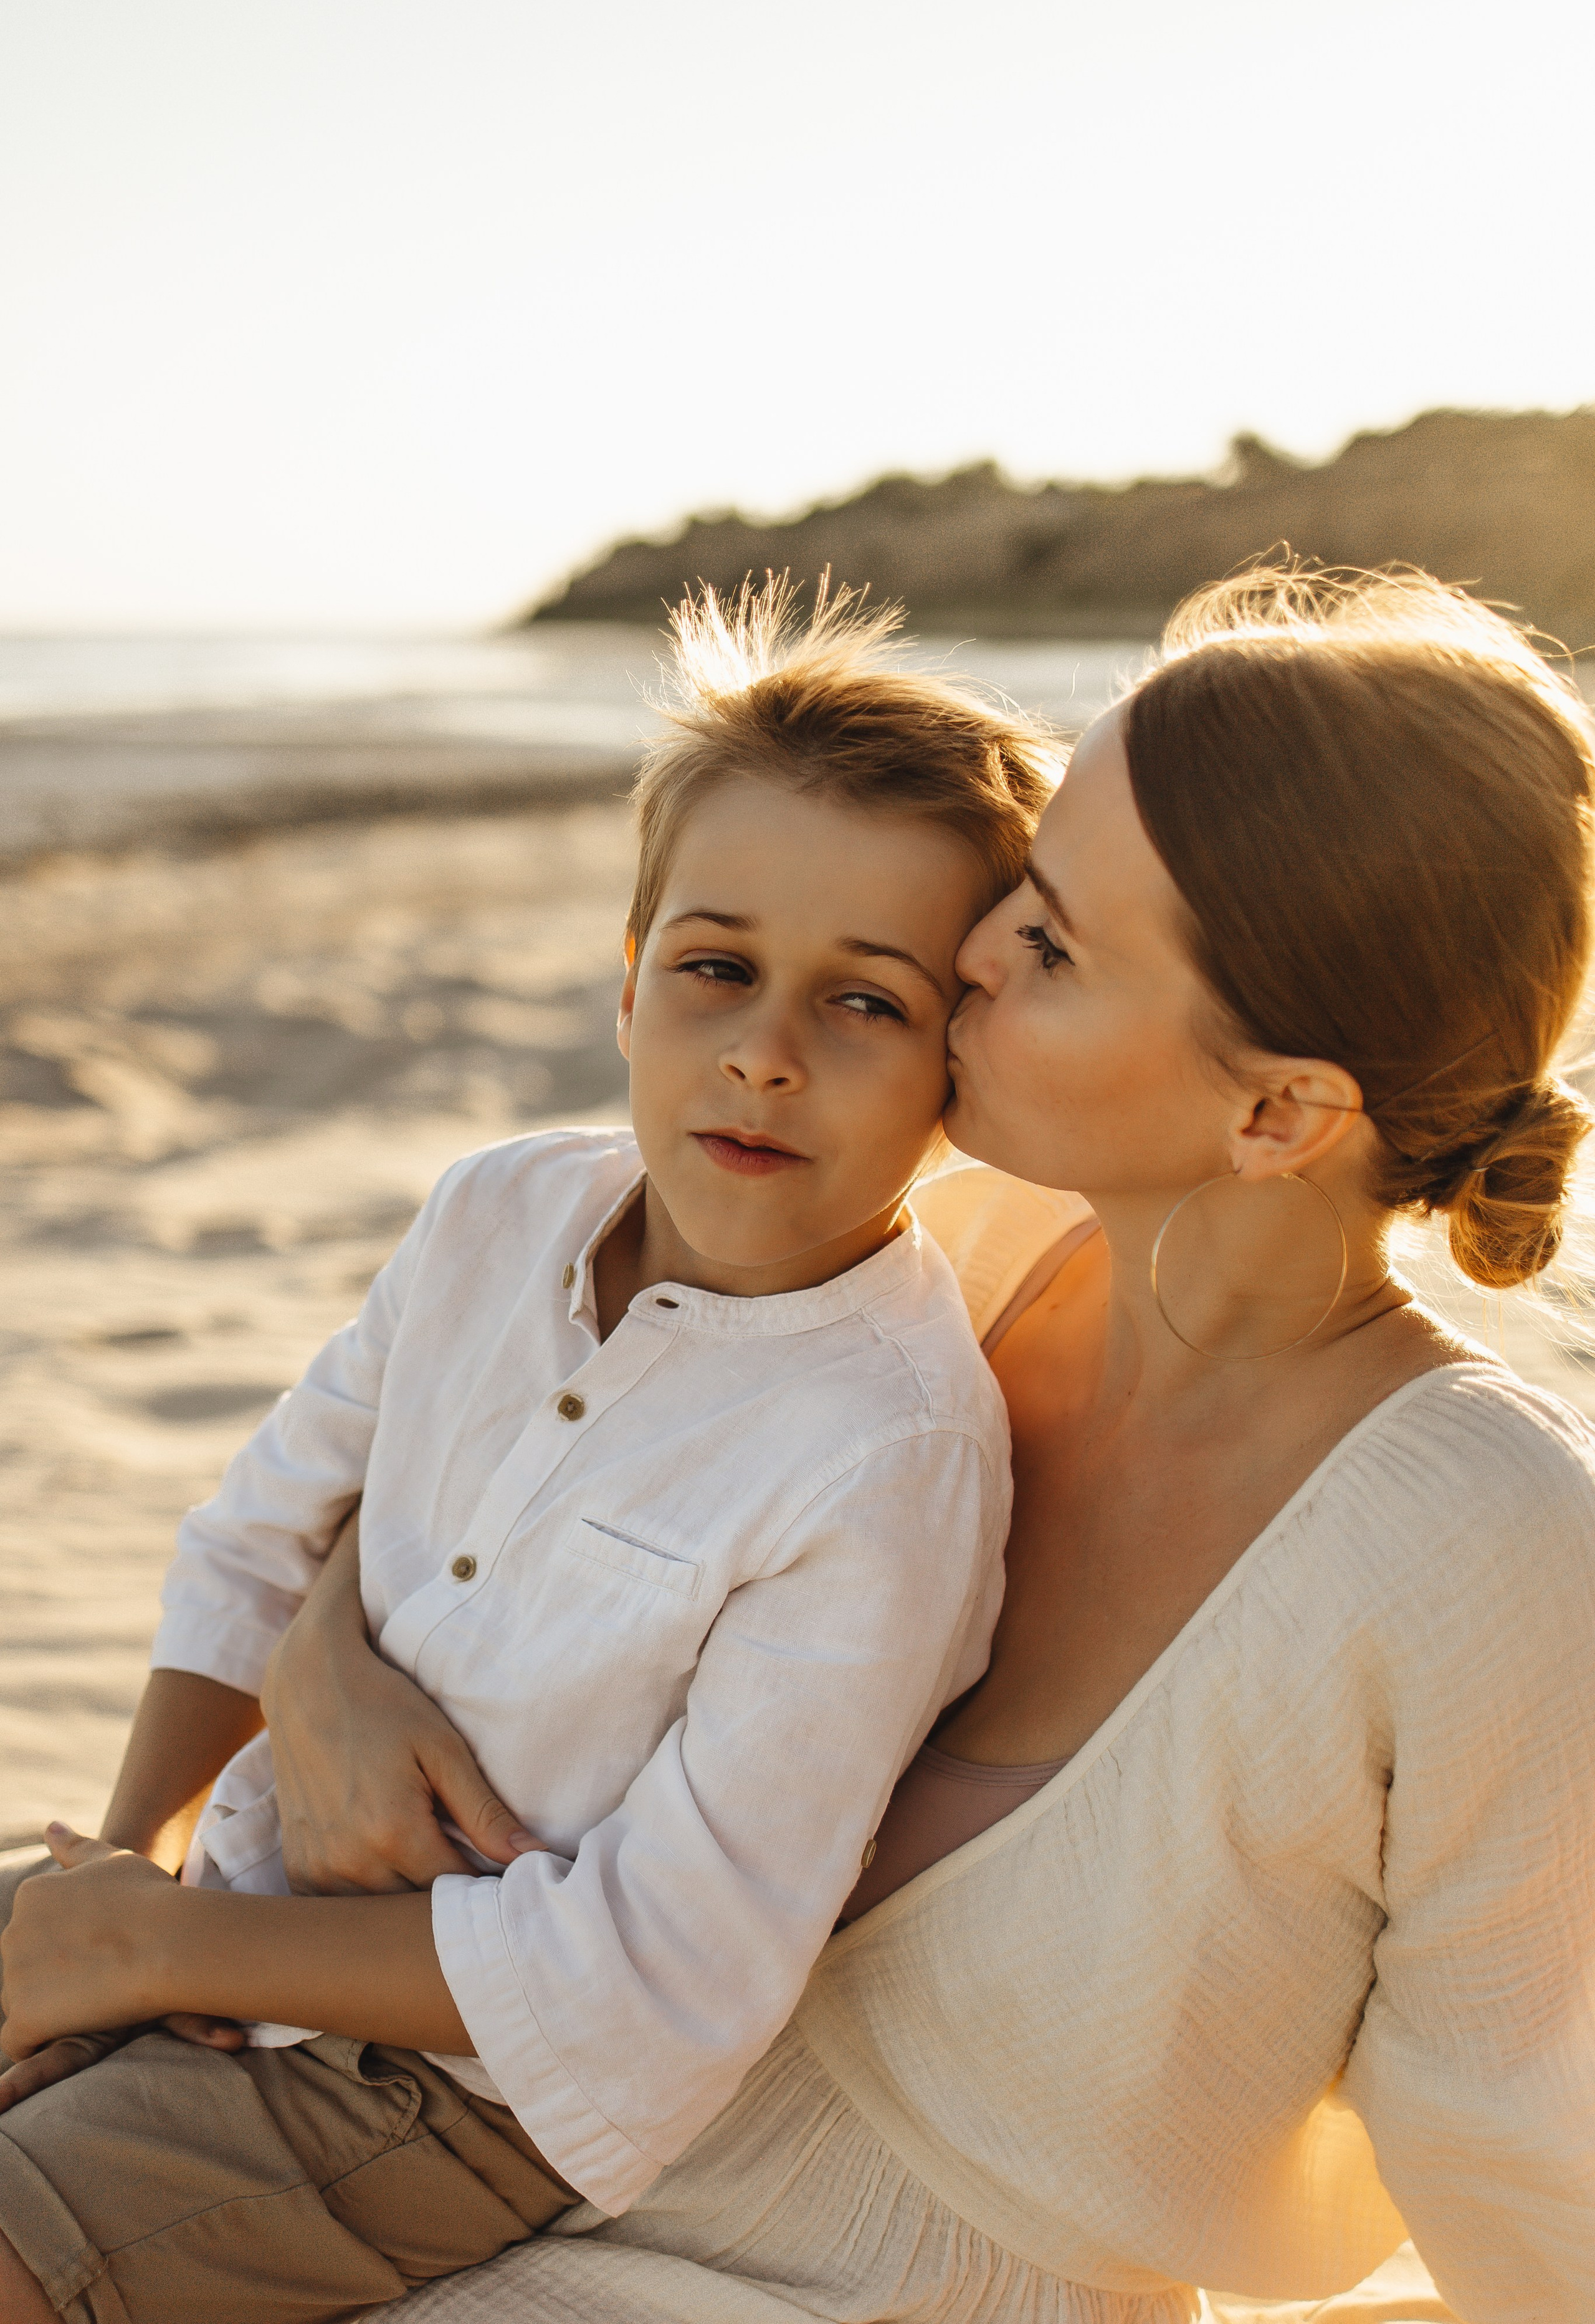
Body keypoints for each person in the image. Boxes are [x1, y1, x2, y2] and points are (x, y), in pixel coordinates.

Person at [255, 564, 1595, 2324]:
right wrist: (319, 1655)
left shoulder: (1486, 1544)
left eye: (1049, 943)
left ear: (1279, 1110)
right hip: (436, 2156)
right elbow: (495, 1445)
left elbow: (1534, 2181)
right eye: (1018, 890)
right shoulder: (931, 1265)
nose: (964, 950)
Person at [0, 588, 1061, 2322]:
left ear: (958, 1059)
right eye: (716, 968)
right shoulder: (499, 1210)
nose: (764, 1053)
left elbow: (662, 1974)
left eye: (862, 1003)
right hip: (217, 1894)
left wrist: (175, 1950)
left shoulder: (888, 1454)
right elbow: (264, 1528)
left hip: (438, 2092)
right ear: (630, 983)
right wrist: (122, 1877)